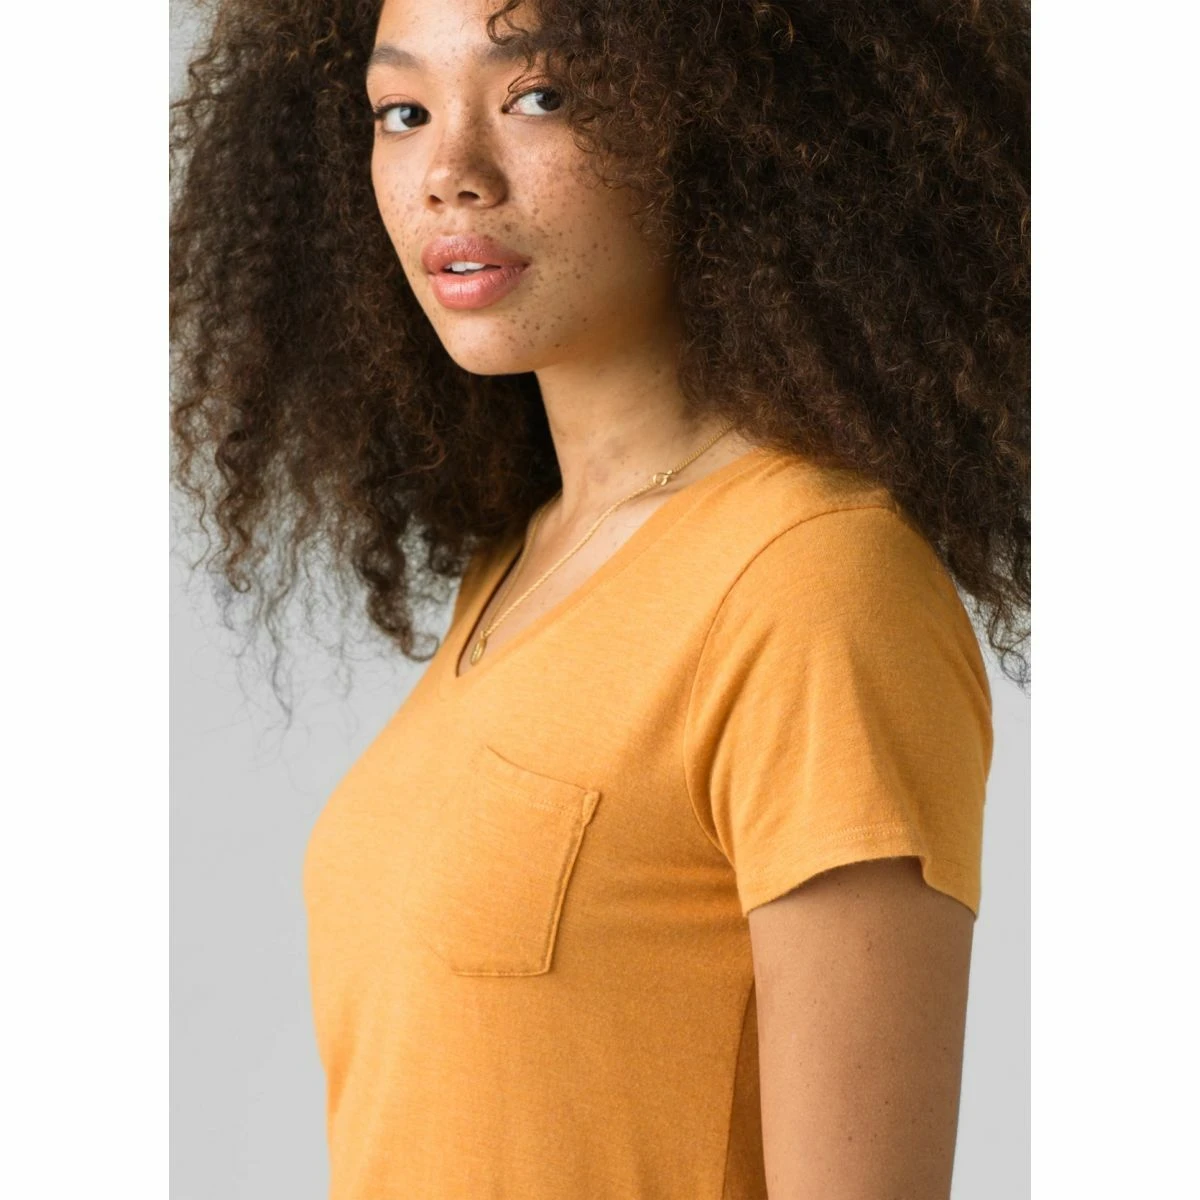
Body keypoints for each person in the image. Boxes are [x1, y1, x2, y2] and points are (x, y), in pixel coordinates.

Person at [170, 0, 1030, 1195]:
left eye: (541, 96)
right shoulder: (524, 563)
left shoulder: (814, 584)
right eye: (402, 112)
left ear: (722, 118)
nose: (451, 172)